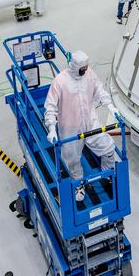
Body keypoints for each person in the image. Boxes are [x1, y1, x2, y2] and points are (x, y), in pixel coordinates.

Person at [43, 51, 120, 202]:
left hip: (91, 124)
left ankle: (108, 173)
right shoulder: (60, 81)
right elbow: (50, 107)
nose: (85, 71)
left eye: (86, 67)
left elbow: (99, 90)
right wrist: (52, 128)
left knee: (109, 148)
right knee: (72, 159)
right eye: (82, 68)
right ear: (74, 66)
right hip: (71, 129)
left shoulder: (89, 74)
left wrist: (111, 107)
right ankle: (78, 184)